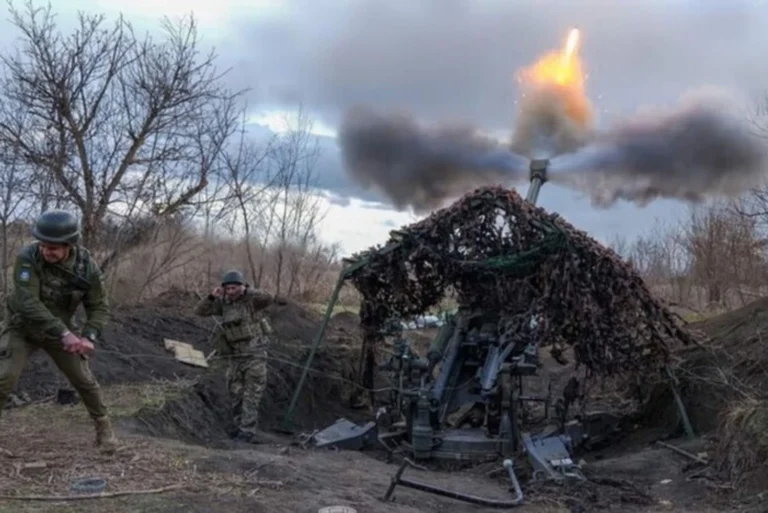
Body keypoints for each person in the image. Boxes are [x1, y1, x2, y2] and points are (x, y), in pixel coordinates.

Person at [0, 209, 117, 453]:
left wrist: (89, 335)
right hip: (21, 327)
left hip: (59, 331)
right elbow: (27, 302)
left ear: (69, 245)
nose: (46, 251)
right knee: (4, 376)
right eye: (43, 245)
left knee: (84, 380)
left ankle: (104, 429)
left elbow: (99, 306)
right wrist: (65, 333)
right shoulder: (28, 258)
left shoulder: (87, 269)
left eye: (53, 247)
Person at [194, 270, 286, 443]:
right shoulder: (225, 304)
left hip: (255, 355)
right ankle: (238, 428)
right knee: (236, 393)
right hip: (235, 357)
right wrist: (212, 297)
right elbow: (199, 311)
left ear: (242, 286)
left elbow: (269, 297)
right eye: (228, 288)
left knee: (252, 394)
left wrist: (246, 291)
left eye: (234, 288)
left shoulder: (252, 301)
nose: (231, 291)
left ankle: (247, 432)